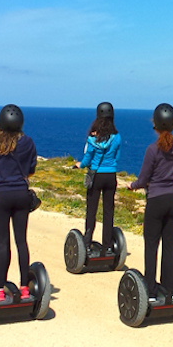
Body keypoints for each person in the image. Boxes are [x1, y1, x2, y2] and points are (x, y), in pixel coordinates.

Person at [0, 104, 37, 302]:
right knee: (21, 241)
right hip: (21, 195)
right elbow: (31, 169)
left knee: (2, 243)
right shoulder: (28, 142)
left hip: (2, 197)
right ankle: (24, 288)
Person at [128, 103, 173, 299]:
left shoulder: (152, 149)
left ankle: (150, 291)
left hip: (157, 200)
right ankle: (168, 290)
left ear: (156, 125)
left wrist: (133, 185)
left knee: (151, 245)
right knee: (169, 244)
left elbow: (143, 179)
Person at [74, 102, 122, 254]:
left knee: (91, 210)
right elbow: (117, 157)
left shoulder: (92, 139)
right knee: (108, 211)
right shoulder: (117, 137)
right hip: (110, 174)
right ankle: (107, 246)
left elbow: (87, 159)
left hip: (93, 174)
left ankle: (87, 244)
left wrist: (79, 165)